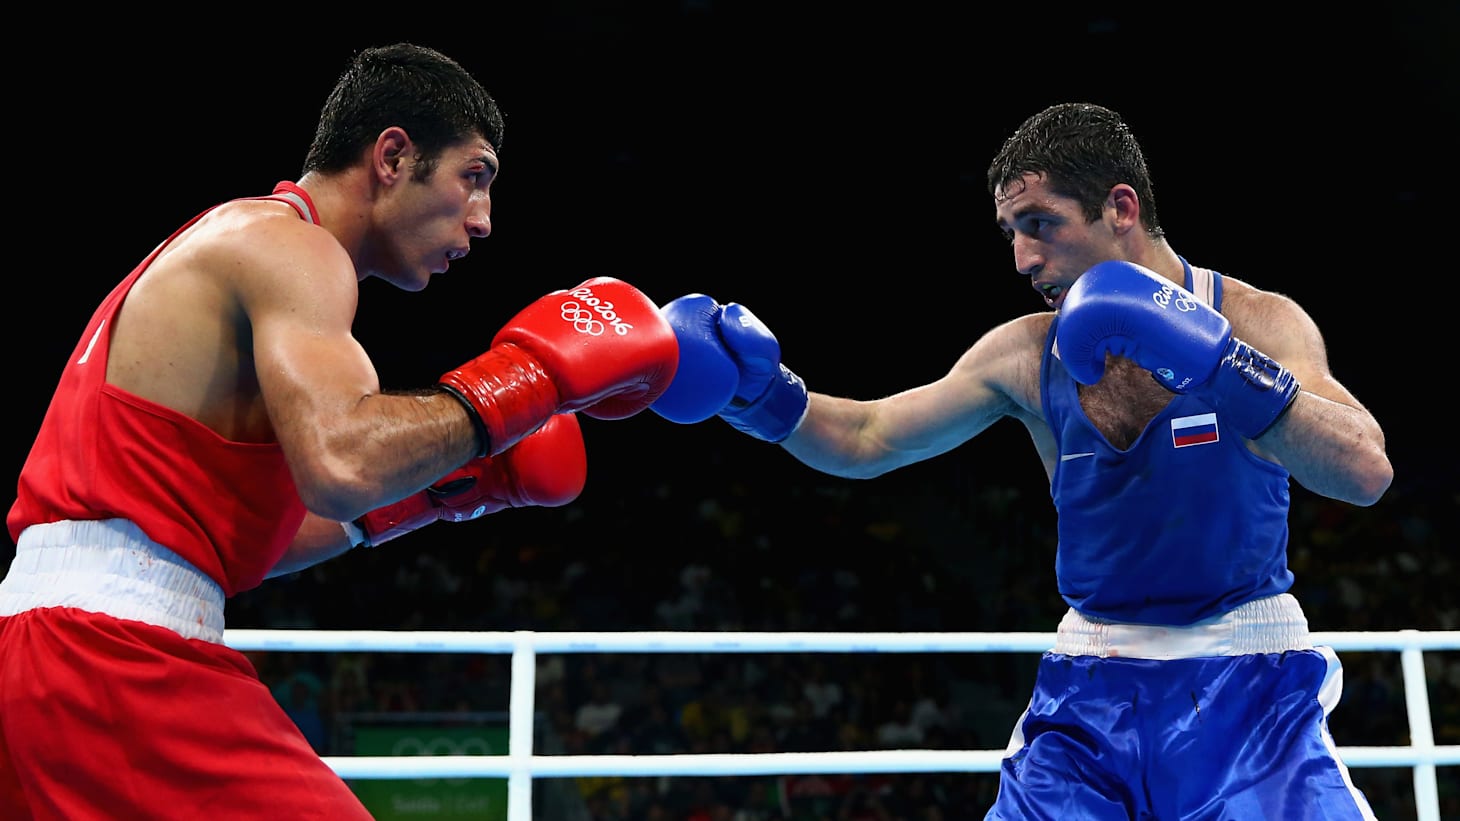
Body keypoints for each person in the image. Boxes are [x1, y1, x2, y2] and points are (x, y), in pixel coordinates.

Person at [650, 101, 1392, 819]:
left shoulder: (1258, 322)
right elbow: (870, 435)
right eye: (1010, 231)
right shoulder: (1027, 351)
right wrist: (759, 398)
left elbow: (1364, 469)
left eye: (1040, 225)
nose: (1022, 258)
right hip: (1093, 687)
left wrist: (1219, 364)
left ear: (1121, 208)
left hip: (1248, 674)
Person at [0, 42, 678, 819]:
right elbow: (344, 461)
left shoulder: (231, 247)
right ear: (393, 155)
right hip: (110, 657)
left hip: (41, 650)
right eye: (474, 176)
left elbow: (242, 536)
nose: (485, 219)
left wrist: (449, 489)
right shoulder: (291, 246)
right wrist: (531, 380)